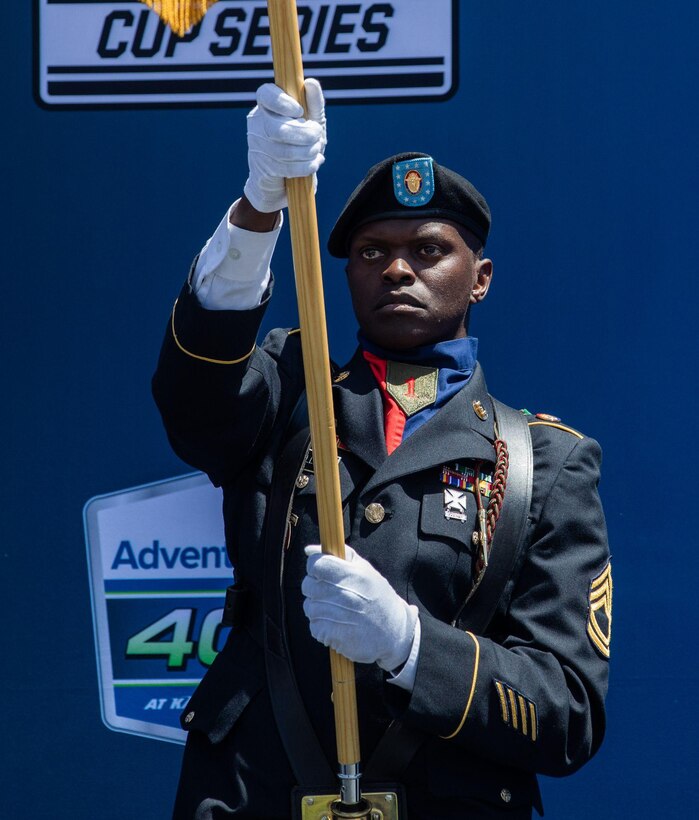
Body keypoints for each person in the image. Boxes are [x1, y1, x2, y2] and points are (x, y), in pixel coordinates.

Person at [153, 79, 611, 820]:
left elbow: (566, 713)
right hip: (256, 796)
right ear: (345, 274)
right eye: (372, 252)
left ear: (480, 278)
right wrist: (259, 209)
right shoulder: (286, 394)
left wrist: (407, 645)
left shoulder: (543, 463)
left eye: (428, 249)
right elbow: (193, 402)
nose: (397, 268)